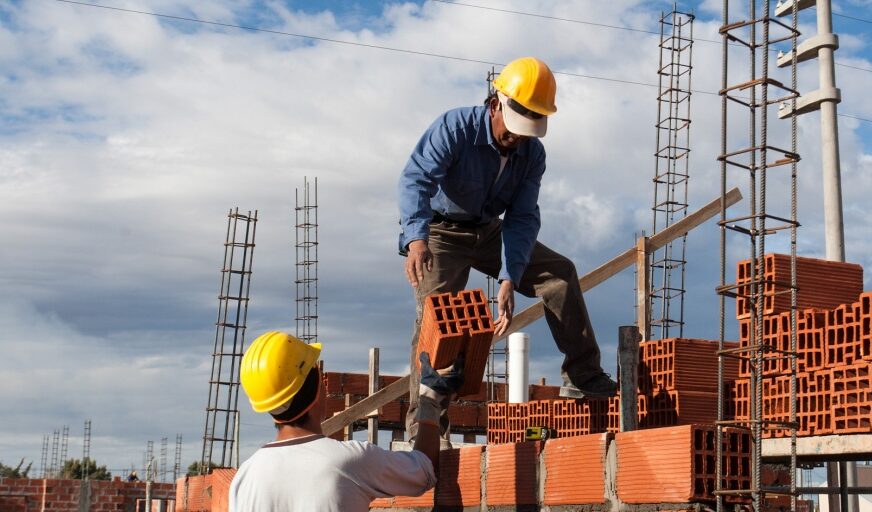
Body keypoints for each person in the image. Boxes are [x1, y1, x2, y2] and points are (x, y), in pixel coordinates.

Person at [398, 56, 618, 440]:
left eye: (529, 128)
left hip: (489, 230)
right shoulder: (454, 128)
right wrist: (416, 239)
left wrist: (508, 277)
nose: (518, 137)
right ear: (496, 103)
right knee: (438, 320)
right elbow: (416, 180)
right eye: (515, 126)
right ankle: (427, 429)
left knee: (559, 275)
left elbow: (522, 218)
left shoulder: (532, 154)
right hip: (440, 233)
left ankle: (583, 376)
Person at [229, 331, 464, 512]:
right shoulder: (347, 461)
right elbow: (423, 471)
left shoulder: (244, 477)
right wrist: (430, 399)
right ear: (315, 389)